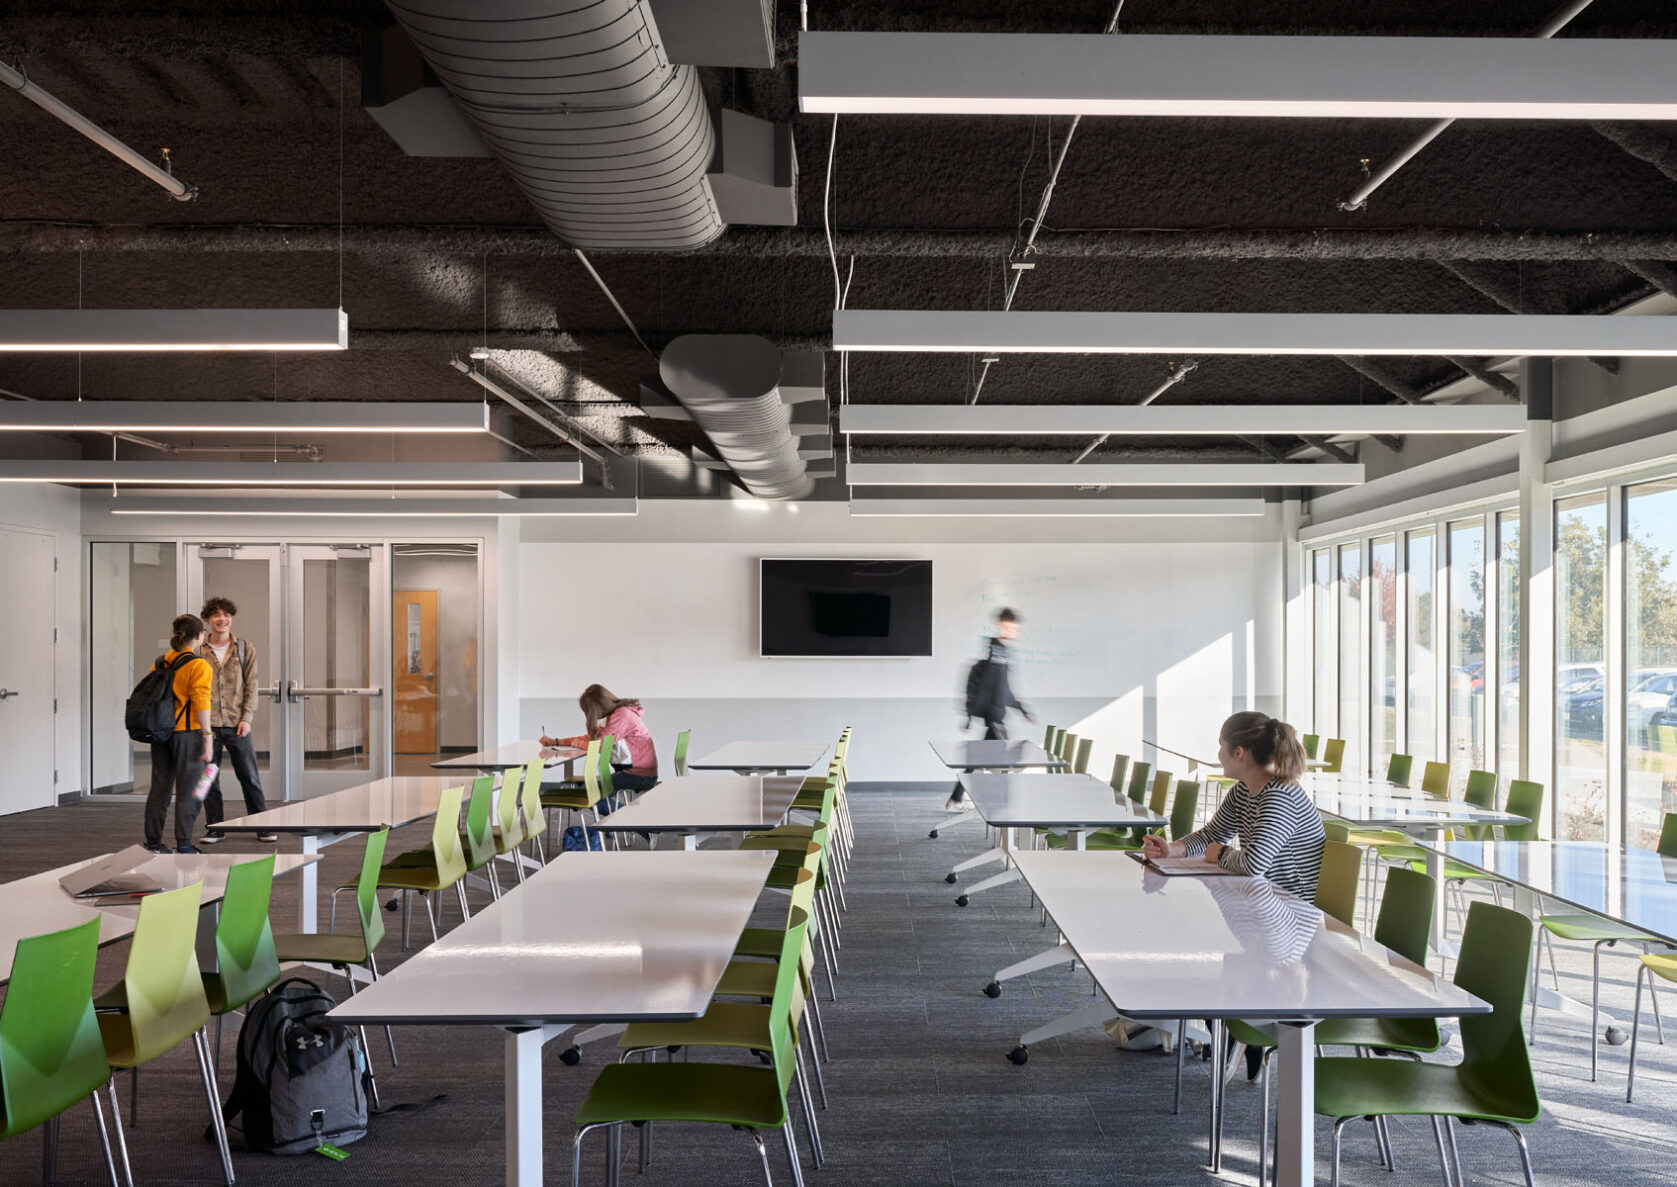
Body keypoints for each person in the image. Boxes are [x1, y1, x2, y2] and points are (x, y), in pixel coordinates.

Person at [1142, 711, 1326, 901]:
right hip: (1262, 897)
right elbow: (1211, 835)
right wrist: (1172, 850)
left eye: (1221, 745)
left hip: (1292, 908)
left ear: (1238, 753)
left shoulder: (1280, 797)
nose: (1219, 753)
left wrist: (1220, 853)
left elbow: (1253, 865)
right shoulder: (1244, 790)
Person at [196, 596, 275, 844]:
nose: (223, 619)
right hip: (206, 726)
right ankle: (216, 827)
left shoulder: (244, 648)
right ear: (207, 620)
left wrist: (247, 718)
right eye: (217, 615)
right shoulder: (198, 650)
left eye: (227, 615)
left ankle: (262, 826)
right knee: (208, 777)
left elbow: (252, 685)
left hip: (237, 724)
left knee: (250, 776)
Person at [143, 613, 215, 854]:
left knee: (159, 790)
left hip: (161, 733)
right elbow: (201, 702)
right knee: (192, 790)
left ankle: (154, 843)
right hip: (189, 735)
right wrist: (208, 738)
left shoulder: (161, 662)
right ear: (199, 636)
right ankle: (184, 844)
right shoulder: (198, 665)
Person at [950, 606, 1034, 808]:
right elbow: (986, 686)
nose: (1014, 632)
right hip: (994, 718)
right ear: (1001, 626)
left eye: (1015, 628)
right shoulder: (996, 651)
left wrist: (1022, 709)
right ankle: (1001, 804)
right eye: (1010, 627)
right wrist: (969, 716)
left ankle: (957, 797)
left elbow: (1005, 689)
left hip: (996, 716)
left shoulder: (1003, 651)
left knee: (980, 758)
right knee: (1007, 763)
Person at [540, 684, 659, 793]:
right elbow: (591, 738)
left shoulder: (622, 715)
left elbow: (598, 745)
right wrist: (556, 741)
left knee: (593, 796)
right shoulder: (615, 714)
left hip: (640, 775)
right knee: (593, 794)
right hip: (632, 772)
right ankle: (619, 814)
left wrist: (576, 743)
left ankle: (621, 816)